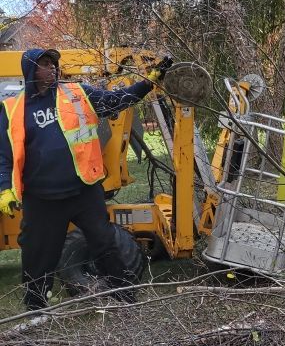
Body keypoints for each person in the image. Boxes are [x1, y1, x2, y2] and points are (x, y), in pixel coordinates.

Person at [0, 48, 172, 310]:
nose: (53, 68)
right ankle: (36, 308)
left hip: (84, 191)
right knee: (37, 254)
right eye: (45, 64)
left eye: (54, 63)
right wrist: (4, 189)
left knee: (105, 243)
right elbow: (3, 154)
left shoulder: (78, 94)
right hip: (42, 198)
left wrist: (147, 83)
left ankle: (124, 297)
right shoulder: (12, 110)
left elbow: (117, 100)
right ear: (30, 70)